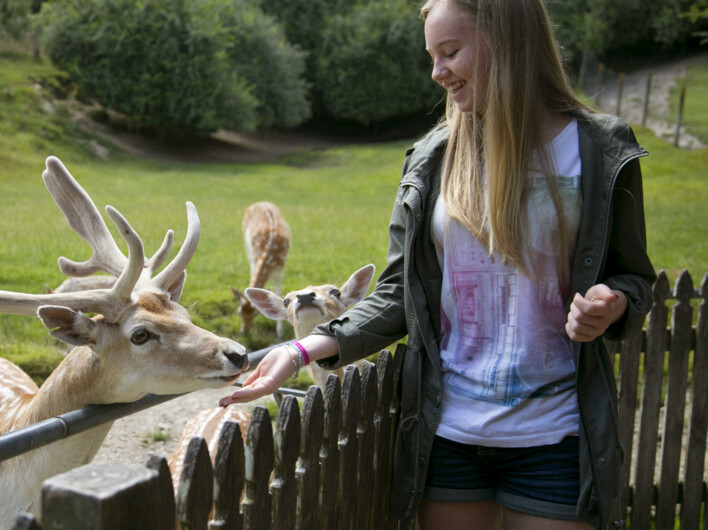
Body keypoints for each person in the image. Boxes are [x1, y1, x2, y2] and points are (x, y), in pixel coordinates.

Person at [218, 0, 656, 529]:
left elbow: (633, 275)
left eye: (450, 52)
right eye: (432, 56)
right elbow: (401, 290)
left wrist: (614, 303)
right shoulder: (432, 159)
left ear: (510, 43)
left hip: (558, 437)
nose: (437, 72)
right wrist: (301, 347)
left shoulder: (600, 150)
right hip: (447, 437)